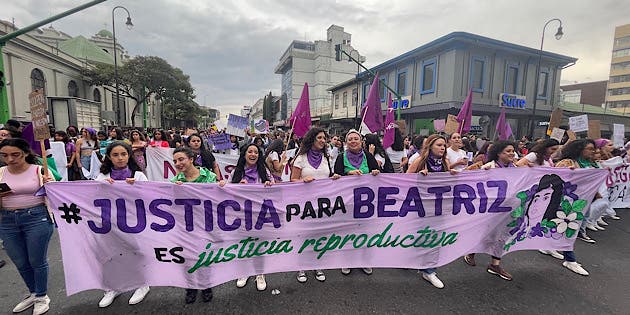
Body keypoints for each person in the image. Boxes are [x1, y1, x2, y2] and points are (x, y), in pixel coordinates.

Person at [0, 138, 55, 315]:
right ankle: (33, 292)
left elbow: (58, 195)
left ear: (25, 153)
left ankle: (41, 296)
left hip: (36, 218)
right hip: (7, 220)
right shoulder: (0, 172)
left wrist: (50, 185)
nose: (10, 159)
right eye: (4, 155)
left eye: (15, 154)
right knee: (20, 261)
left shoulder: (40, 170)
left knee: (36, 260)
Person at [94, 142, 151, 307]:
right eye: (115, 155)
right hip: (108, 221)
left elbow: (150, 197)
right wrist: (102, 187)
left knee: (135, 252)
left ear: (129, 155)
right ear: (109, 157)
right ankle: (113, 287)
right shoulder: (102, 177)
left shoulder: (138, 175)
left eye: (123, 154)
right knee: (109, 254)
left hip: (133, 221)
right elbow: (91, 196)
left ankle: (142, 284)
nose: (120, 158)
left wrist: (136, 188)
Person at [171, 147, 224, 303]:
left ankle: (206, 286)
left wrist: (222, 186)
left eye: (181, 159)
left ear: (191, 159)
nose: (178, 163)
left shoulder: (209, 177)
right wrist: (176, 191)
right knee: (188, 257)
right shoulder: (175, 182)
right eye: (175, 161)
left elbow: (219, 199)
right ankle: (191, 287)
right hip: (186, 226)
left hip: (206, 224)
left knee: (204, 255)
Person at [290, 127, 341, 283]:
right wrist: (302, 181)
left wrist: (334, 177)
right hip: (305, 204)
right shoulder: (301, 159)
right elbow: (292, 180)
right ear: (312, 139)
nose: (323, 140)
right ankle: (301, 267)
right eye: (319, 137)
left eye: (324, 138)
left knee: (319, 235)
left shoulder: (326, 158)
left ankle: (317, 264)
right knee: (304, 235)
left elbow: (327, 176)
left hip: (322, 204)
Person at [463, 141, 518, 281]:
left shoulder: (517, 169)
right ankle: (471, 252)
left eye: (513, 151)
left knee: (502, 236)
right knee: (484, 233)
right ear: (499, 153)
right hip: (488, 209)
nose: (511, 153)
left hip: (506, 209)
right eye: (508, 151)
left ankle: (495, 265)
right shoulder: (488, 167)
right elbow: (469, 181)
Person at [405, 134, 452, 289]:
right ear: (430, 146)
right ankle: (411, 260)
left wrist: (454, 175)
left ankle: (429, 270)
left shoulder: (445, 162)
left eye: (444, 146)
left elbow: (450, 184)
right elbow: (404, 180)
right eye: (439, 145)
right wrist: (419, 177)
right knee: (419, 235)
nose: (442, 148)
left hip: (439, 207)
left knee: (436, 237)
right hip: (420, 207)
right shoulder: (420, 161)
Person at [334, 129, 380, 276]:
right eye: (350, 139)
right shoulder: (341, 157)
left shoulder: (368, 156)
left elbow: (378, 172)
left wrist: (375, 172)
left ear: (361, 142)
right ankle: (347, 261)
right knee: (348, 232)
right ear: (346, 143)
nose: (353, 141)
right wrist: (348, 174)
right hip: (348, 203)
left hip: (367, 204)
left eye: (356, 139)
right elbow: (335, 176)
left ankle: (365, 261)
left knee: (366, 232)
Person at [231, 143, 273, 291]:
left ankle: (260, 273)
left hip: (261, 216)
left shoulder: (265, 171)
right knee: (244, 244)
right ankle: (244, 272)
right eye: (250, 151)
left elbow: (276, 190)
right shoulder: (236, 172)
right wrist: (236, 186)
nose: (253, 154)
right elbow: (227, 195)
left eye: (256, 152)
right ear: (244, 155)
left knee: (259, 245)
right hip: (241, 217)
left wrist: (269, 185)